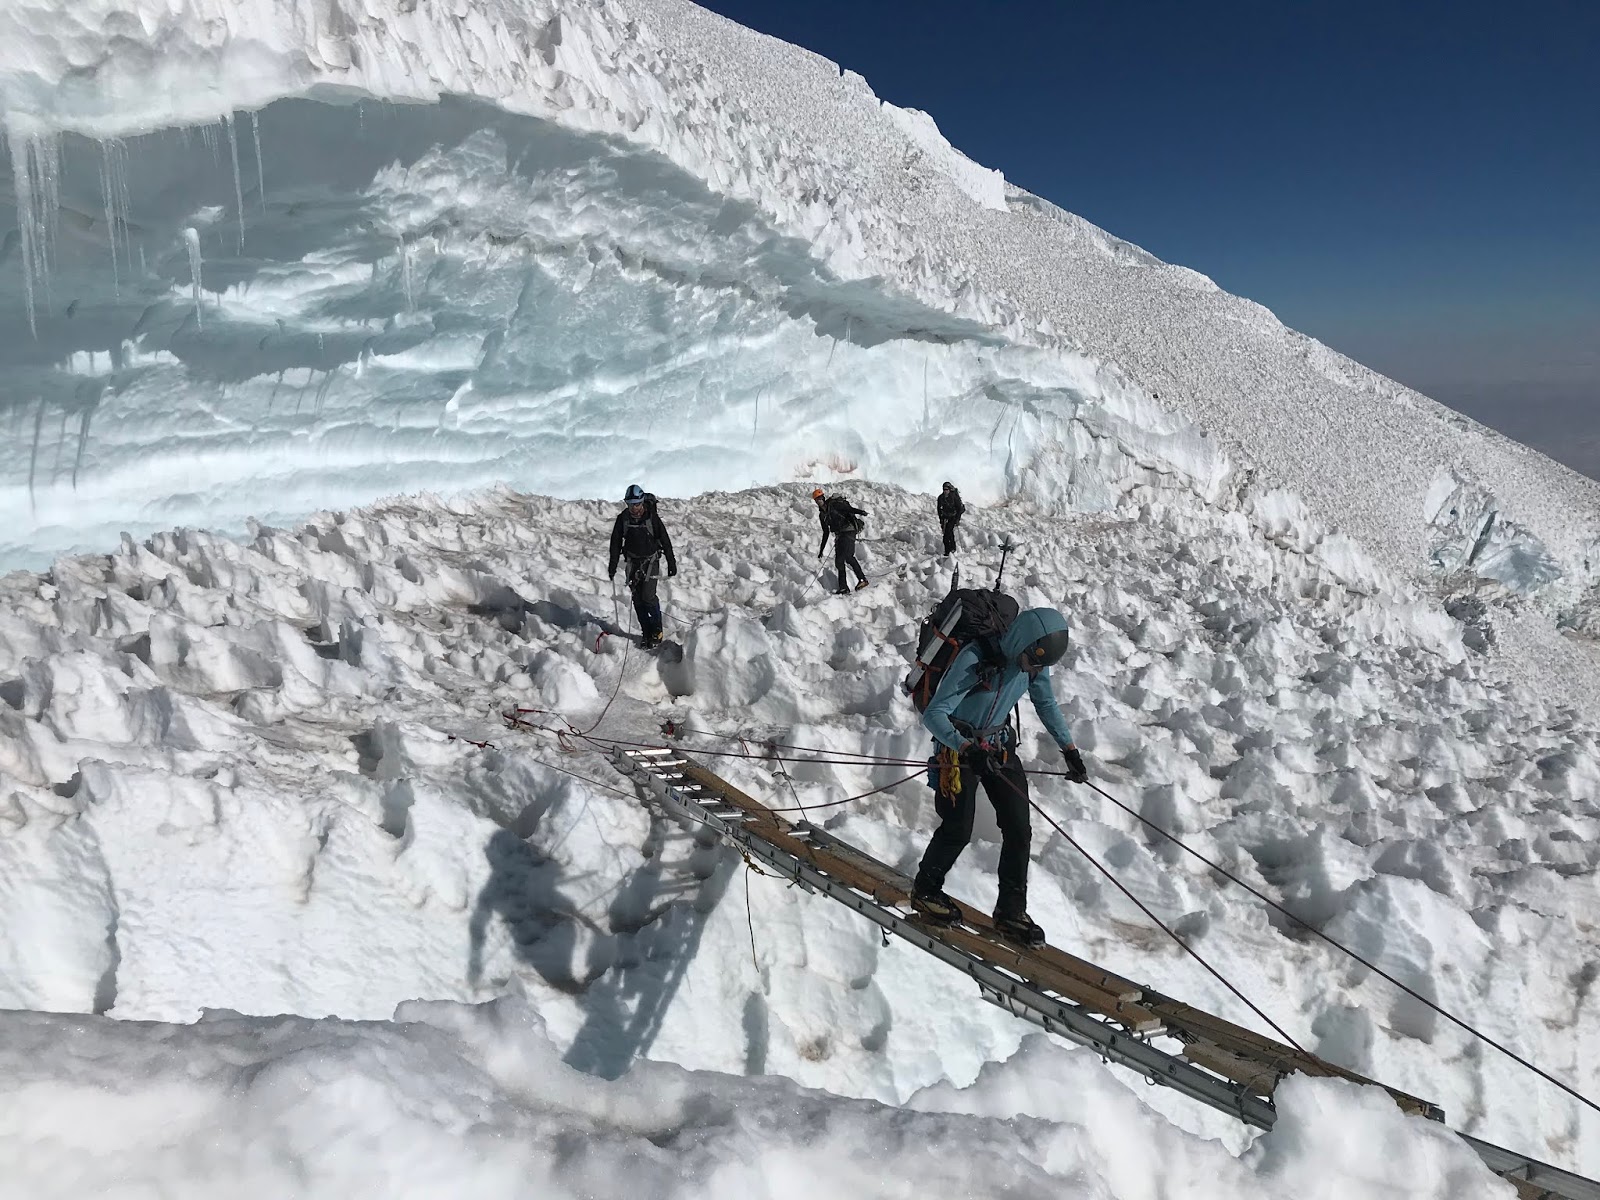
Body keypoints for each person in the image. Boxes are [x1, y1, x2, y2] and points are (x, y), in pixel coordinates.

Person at [910, 607, 1089, 946]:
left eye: (1040, 666)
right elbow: (935, 715)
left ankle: (1011, 911)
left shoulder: (1034, 663)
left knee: (1019, 829)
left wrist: (1070, 749)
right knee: (957, 829)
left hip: (998, 747)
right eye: (1033, 662)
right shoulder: (975, 657)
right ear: (1022, 644)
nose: (1035, 671)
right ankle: (925, 890)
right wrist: (965, 748)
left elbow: (1046, 703)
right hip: (957, 751)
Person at [608, 483, 677, 647]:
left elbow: (665, 540)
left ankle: (657, 630)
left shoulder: (651, 518)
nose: (634, 508)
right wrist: (613, 564)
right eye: (630, 505)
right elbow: (615, 543)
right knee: (637, 599)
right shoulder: (623, 519)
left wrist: (671, 561)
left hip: (650, 561)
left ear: (642, 501)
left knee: (648, 596)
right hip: (632, 562)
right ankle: (646, 632)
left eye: (636, 504)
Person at [813, 487, 868, 594]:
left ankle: (862, 580)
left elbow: (848, 509)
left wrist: (860, 512)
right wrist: (821, 550)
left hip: (848, 530)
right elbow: (826, 532)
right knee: (839, 560)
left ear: (823, 497)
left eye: (820, 498)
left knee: (848, 556)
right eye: (817, 500)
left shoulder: (833, 505)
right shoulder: (822, 515)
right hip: (840, 535)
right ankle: (843, 587)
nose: (819, 501)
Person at [936, 481, 965, 557]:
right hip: (945, 517)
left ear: (949, 489)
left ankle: (949, 551)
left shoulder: (954, 497)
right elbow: (939, 509)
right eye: (944, 489)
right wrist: (941, 520)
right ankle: (951, 549)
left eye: (946, 489)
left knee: (947, 532)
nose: (945, 491)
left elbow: (959, 509)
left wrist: (957, 519)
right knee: (949, 532)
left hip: (953, 517)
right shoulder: (941, 498)